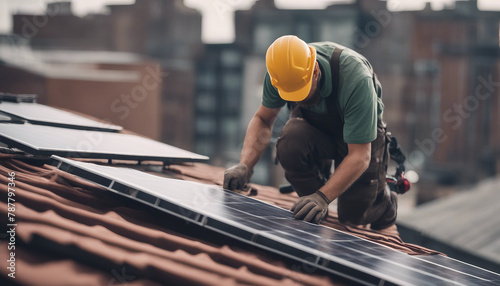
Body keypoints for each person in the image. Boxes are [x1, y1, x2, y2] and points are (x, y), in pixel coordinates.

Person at [223, 35, 397, 229]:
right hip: (316, 127)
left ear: (315, 70)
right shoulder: (279, 73)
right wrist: (245, 165)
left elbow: (360, 155)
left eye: (302, 91)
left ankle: (385, 204)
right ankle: (316, 202)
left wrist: (323, 197)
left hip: (358, 138)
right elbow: (263, 119)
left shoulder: (356, 80)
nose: (299, 99)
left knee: (353, 217)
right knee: (290, 144)